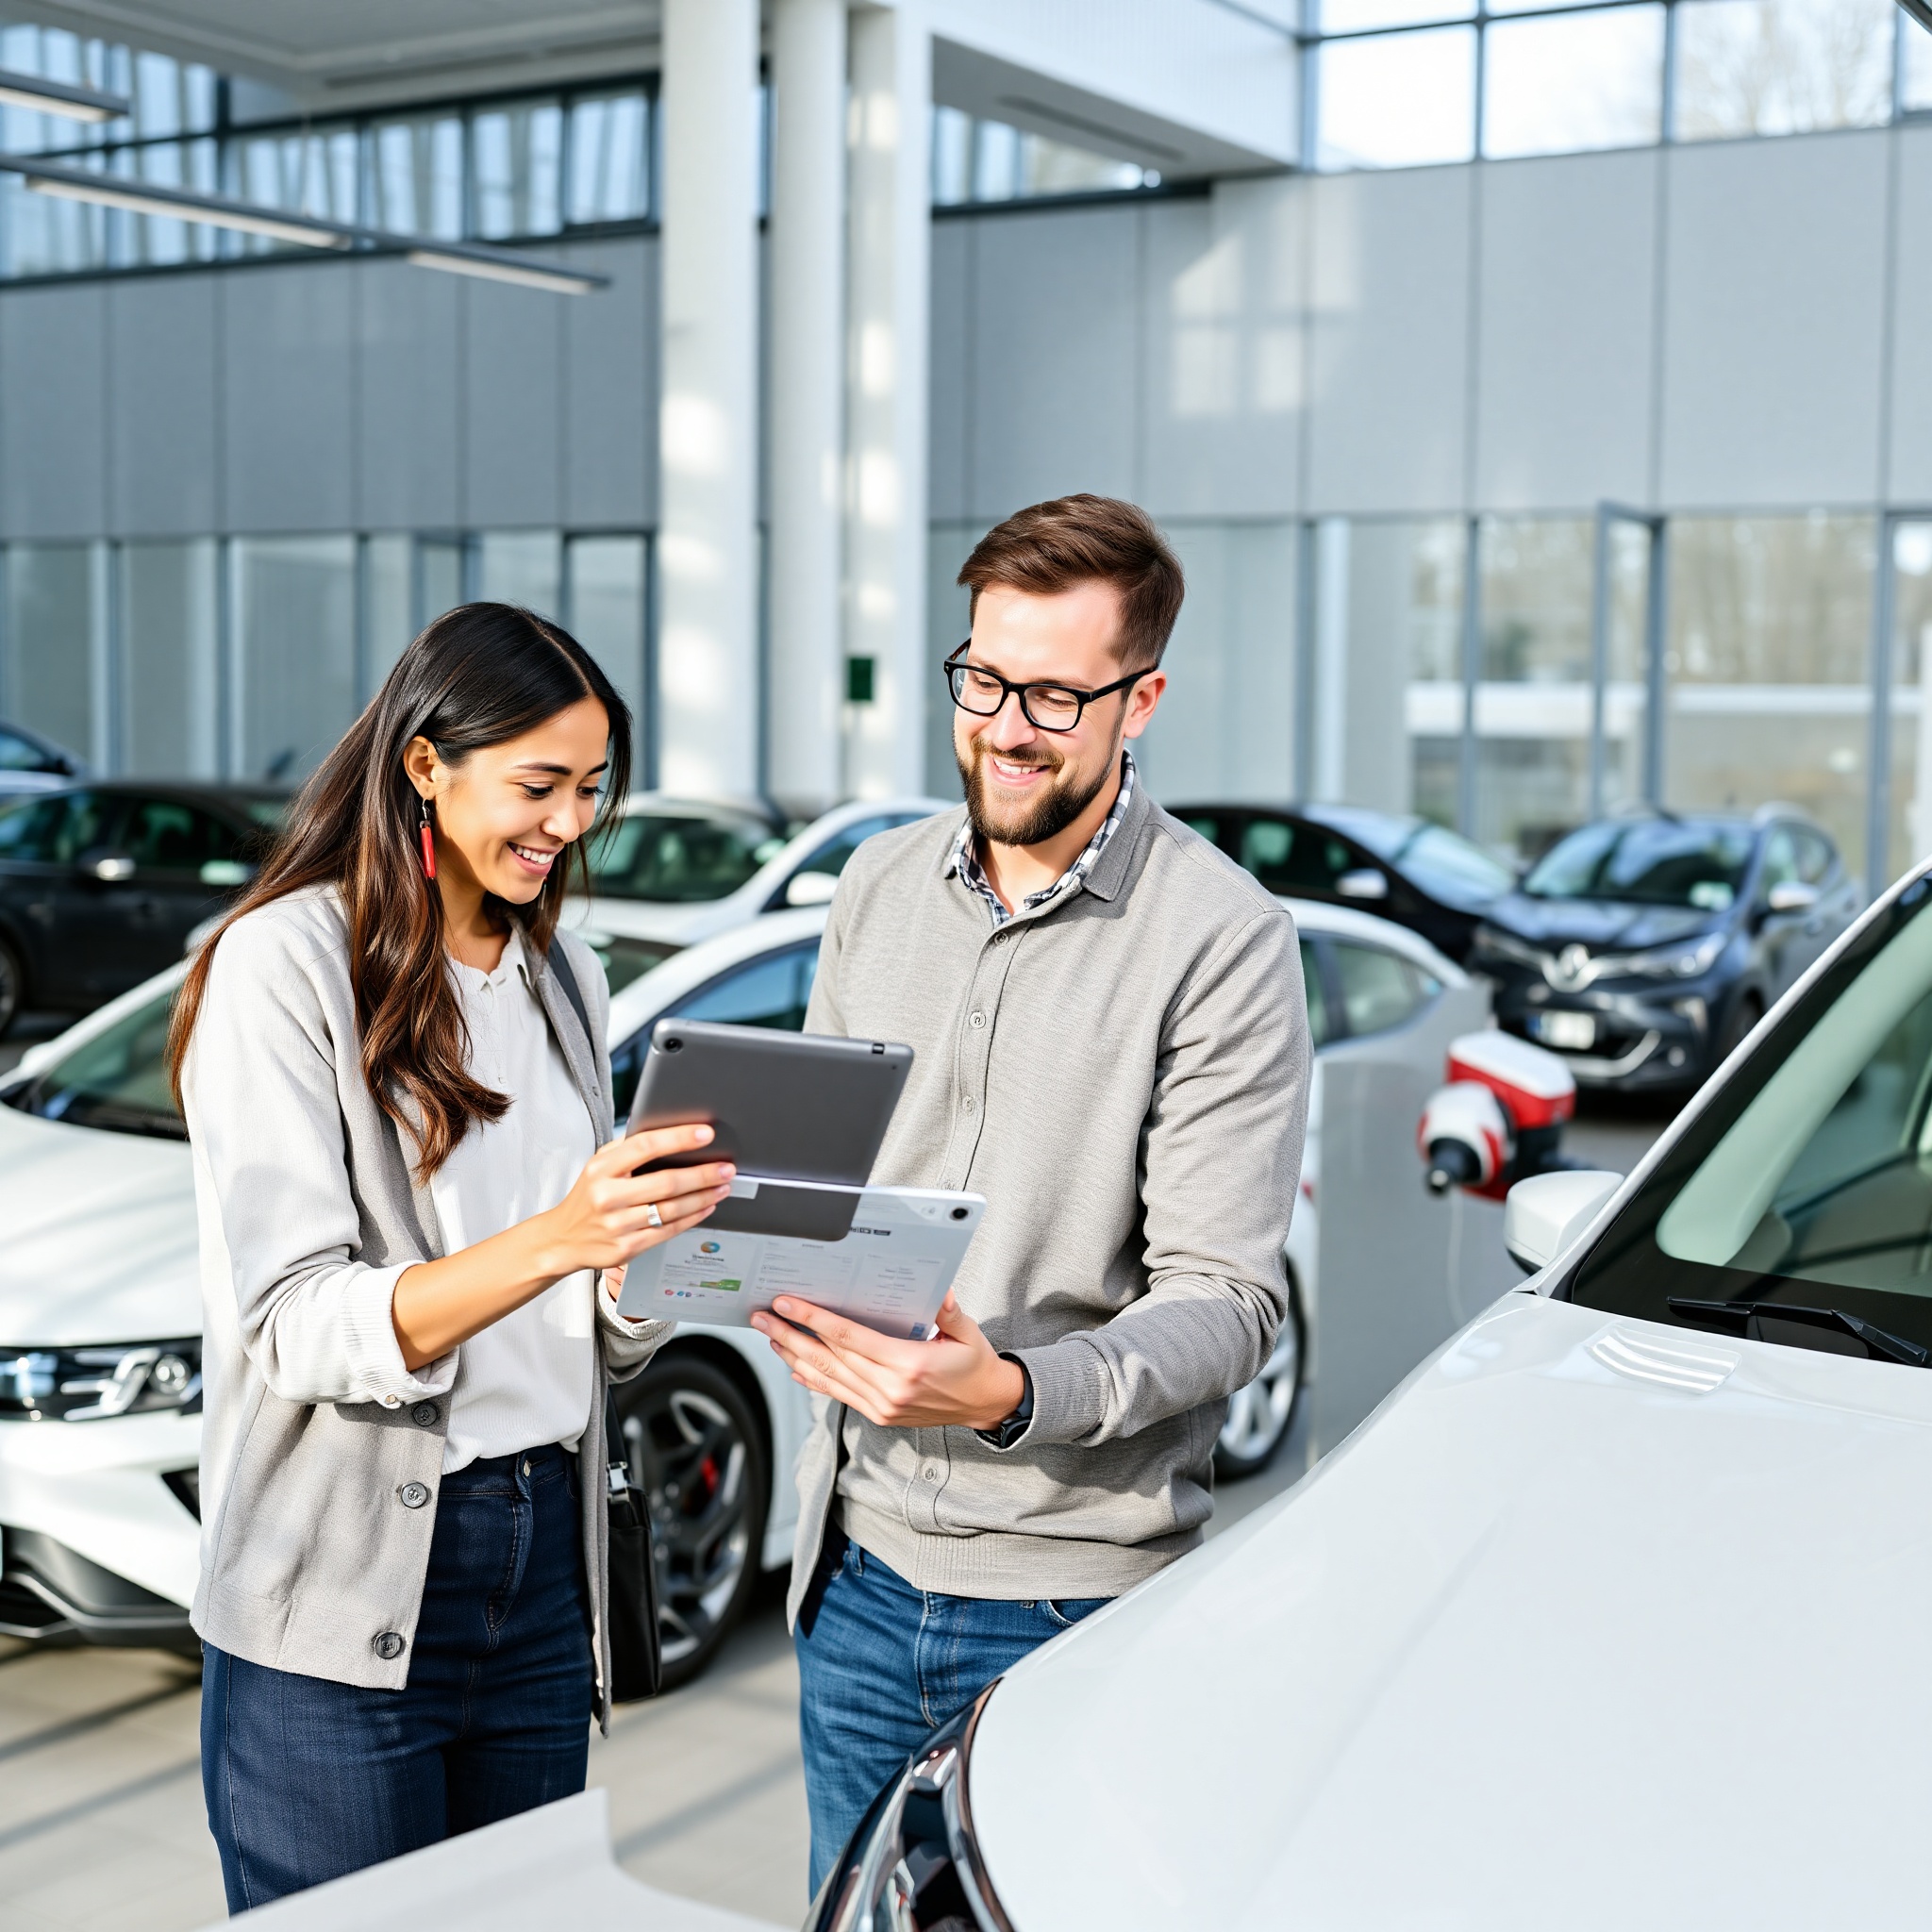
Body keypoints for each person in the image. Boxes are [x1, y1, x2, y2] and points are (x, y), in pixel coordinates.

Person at [754, 493, 1311, 1889]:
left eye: (1056, 696)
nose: (1005, 725)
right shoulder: (874, 890)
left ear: (1144, 701)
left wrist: (1006, 1392)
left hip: (1074, 1601)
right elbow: (813, 1191)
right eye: (983, 679)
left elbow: (1229, 1304)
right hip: (858, 1579)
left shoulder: (1225, 942)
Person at [169, 604, 736, 1911]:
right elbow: (301, 1324)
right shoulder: (283, 966)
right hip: (341, 1571)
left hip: (544, 1565)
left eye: (592, 789)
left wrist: (648, 1259)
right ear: (425, 764)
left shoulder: (566, 979)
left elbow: (594, 1330)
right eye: (538, 785)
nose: (570, 824)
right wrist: (558, 1238)